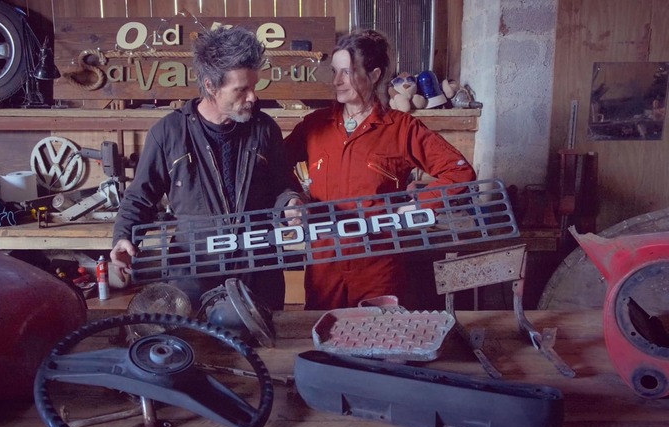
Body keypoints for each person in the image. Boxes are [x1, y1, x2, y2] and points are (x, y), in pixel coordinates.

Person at [110, 26, 302, 311]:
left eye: (254, 86)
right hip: (194, 271)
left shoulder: (264, 130)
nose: (252, 97)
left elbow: (283, 185)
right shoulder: (169, 133)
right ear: (211, 86)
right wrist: (123, 237)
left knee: (264, 350)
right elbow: (140, 197)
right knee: (195, 346)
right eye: (241, 89)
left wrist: (291, 202)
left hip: (258, 269)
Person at [284, 29, 476, 310]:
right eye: (335, 72)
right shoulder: (315, 125)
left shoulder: (401, 128)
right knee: (322, 340)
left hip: (377, 262)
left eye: (348, 73)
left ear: (374, 75)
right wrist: (293, 198)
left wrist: (421, 203)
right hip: (324, 261)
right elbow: (275, 166)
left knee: (379, 339)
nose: (337, 81)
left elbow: (460, 172)